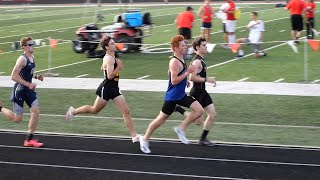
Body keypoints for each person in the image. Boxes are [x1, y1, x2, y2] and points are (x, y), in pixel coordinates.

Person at [65, 36, 140, 143]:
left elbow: (103, 68)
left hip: (115, 88)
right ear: (107, 47)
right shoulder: (109, 58)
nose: (115, 45)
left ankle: (134, 136)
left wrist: (110, 66)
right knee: (94, 110)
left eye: (114, 43)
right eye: (112, 44)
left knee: (126, 111)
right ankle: (73, 111)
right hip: (107, 88)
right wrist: (118, 67)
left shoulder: (111, 57)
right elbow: (109, 76)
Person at [139, 35, 204, 154]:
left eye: (185, 44)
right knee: (161, 120)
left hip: (181, 95)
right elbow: (174, 81)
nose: (185, 47)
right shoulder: (174, 61)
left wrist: (186, 81)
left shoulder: (181, 59)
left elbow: (177, 75)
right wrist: (187, 74)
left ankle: (181, 129)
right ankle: (144, 139)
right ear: (176, 48)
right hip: (172, 97)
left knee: (199, 111)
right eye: (183, 45)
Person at [2, 37, 45, 147]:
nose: (32, 46)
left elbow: (28, 72)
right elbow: (13, 76)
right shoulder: (22, 59)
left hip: (29, 90)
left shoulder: (32, 57)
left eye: (32, 43)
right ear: (24, 47)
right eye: (30, 44)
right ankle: (0, 108)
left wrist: (36, 76)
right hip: (20, 90)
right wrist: (28, 84)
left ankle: (29, 140)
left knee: (36, 112)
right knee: (17, 119)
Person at [174, 37, 217, 146]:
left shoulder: (201, 60)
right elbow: (191, 78)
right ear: (197, 48)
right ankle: (178, 108)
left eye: (205, 44)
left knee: (212, 115)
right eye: (203, 45)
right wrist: (207, 79)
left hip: (203, 92)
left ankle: (202, 139)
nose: (206, 46)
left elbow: (199, 75)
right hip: (197, 93)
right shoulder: (197, 61)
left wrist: (208, 79)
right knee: (198, 121)